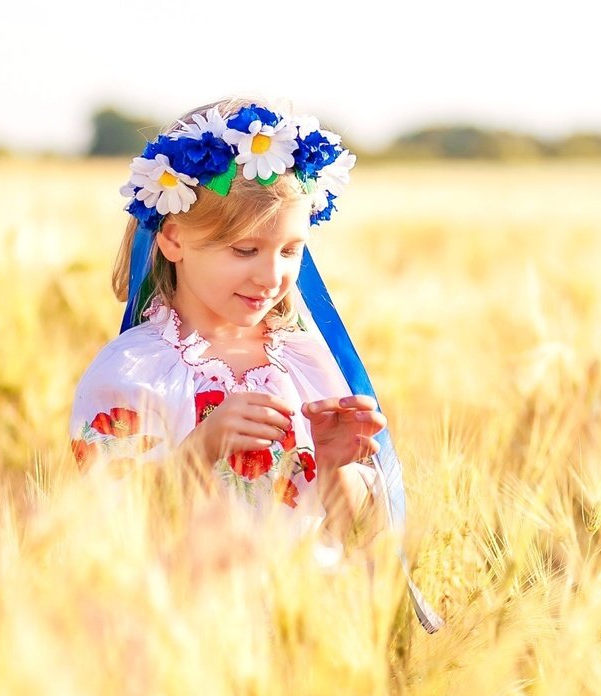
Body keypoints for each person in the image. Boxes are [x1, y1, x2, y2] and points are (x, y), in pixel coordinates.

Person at [70, 97, 441, 632]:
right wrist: (200, 450)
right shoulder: (132, 373)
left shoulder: (307, 363)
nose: (272, 276)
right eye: (245, 250)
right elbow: (106, 525)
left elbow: (350, 529)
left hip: (308, 631)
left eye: (291, 251)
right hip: (186, 636)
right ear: (173, 238)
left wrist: (338, 465)